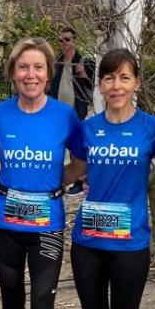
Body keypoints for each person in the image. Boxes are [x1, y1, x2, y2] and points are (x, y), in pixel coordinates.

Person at [0, 37, 84, 309]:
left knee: (42, 305)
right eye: (23, 67)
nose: (31, 74)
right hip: (6, 222)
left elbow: (80, 161)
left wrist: (56, 182)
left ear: (48, 74)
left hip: (47, 225)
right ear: (13, 73)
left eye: (38, 67)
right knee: (11, 298)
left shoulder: (64, 115)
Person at [70, 49, 155, 309]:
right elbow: (75, 170)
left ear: (136, 83)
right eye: (109, 78)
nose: (116, 85)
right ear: (100, 84)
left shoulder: (152, 128)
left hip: (131, 242)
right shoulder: (87, 129)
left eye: (125, 77)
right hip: (89, 241)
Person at [50, 26, 95, 196]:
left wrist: (85, 75)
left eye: (67, 39)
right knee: (56, 146)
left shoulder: (84, 61)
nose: (63, 43)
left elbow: (96, 86)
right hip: (57, 113)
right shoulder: (56, 62)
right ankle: (56, 179)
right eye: (61, 40)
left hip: (77, 111)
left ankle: (79, 182)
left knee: (76, 149)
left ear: (74, 40)